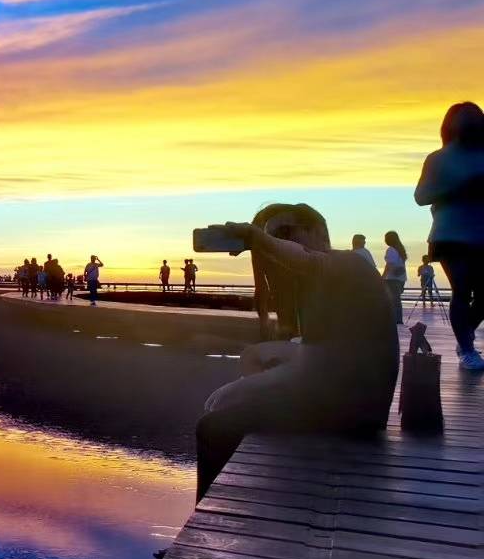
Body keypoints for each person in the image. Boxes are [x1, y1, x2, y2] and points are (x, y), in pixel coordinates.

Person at [193, 204, 398, 500]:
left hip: (354, 411)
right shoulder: (323, 282)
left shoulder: (347, 264)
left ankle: (204, 512)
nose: (279, 243)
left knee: (213, 427)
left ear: (318, 232)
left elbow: (314, 364)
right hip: (341, 395)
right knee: (254, 362)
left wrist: (256, 238)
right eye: (272, 236)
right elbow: (321, 354)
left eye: (286, 233)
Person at [414, 100, 484, 371]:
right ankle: (467, 349)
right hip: (450, 234)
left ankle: (463, 335)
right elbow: (421, 196)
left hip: (481, 234)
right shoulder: (438, 158)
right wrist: (459, 188)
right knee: (462, 290)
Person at [382, 230, 408, 326]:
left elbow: (389, 265)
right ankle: (398, 319)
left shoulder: (391, 250)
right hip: (400, 278)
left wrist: (383, 277)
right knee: (396, 299)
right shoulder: (400, 249)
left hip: (392, 278)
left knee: (392, 300)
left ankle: (396, 319)